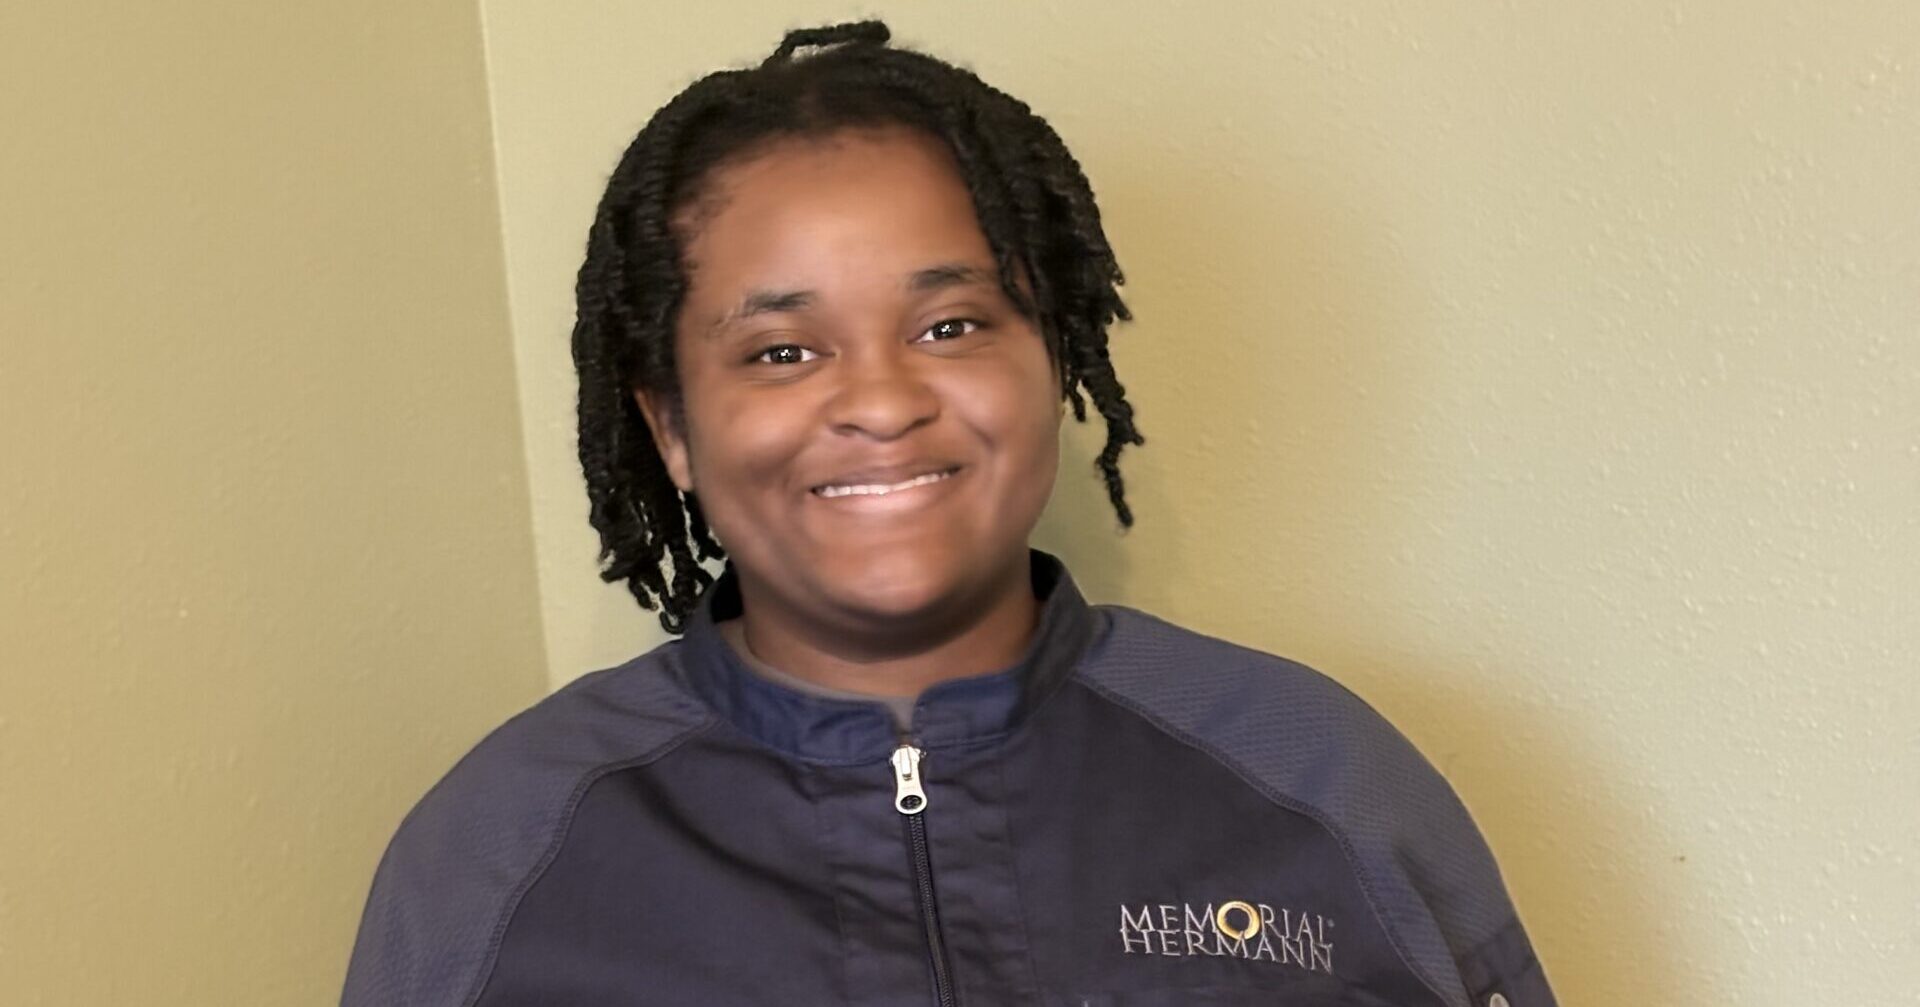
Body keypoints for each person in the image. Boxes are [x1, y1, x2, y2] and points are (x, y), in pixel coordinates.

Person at [342, 20, 1555, 1007]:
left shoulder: (1318, 771)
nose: (879, 400)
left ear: (1054, 357)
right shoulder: (497, 850)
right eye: (779, 350)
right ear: (670, 425)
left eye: (950, 325)